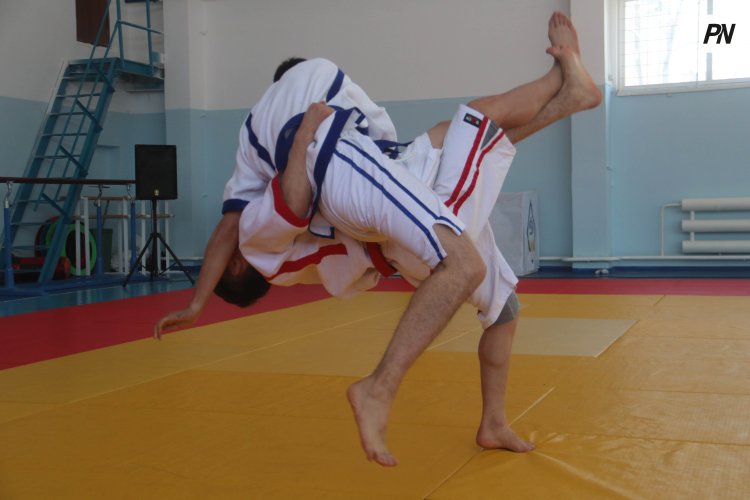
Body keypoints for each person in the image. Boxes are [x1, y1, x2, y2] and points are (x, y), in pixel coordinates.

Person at [156, 12, 601, 467]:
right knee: (474, 139)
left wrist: (197, 303)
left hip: (381, 212)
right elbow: (274, 210)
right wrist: (305, 131)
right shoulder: (257, 238)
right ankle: (378, 387)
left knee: (502, 304)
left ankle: (493, 423)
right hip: (360, 199)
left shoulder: (260, 221)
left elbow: (227, 226)